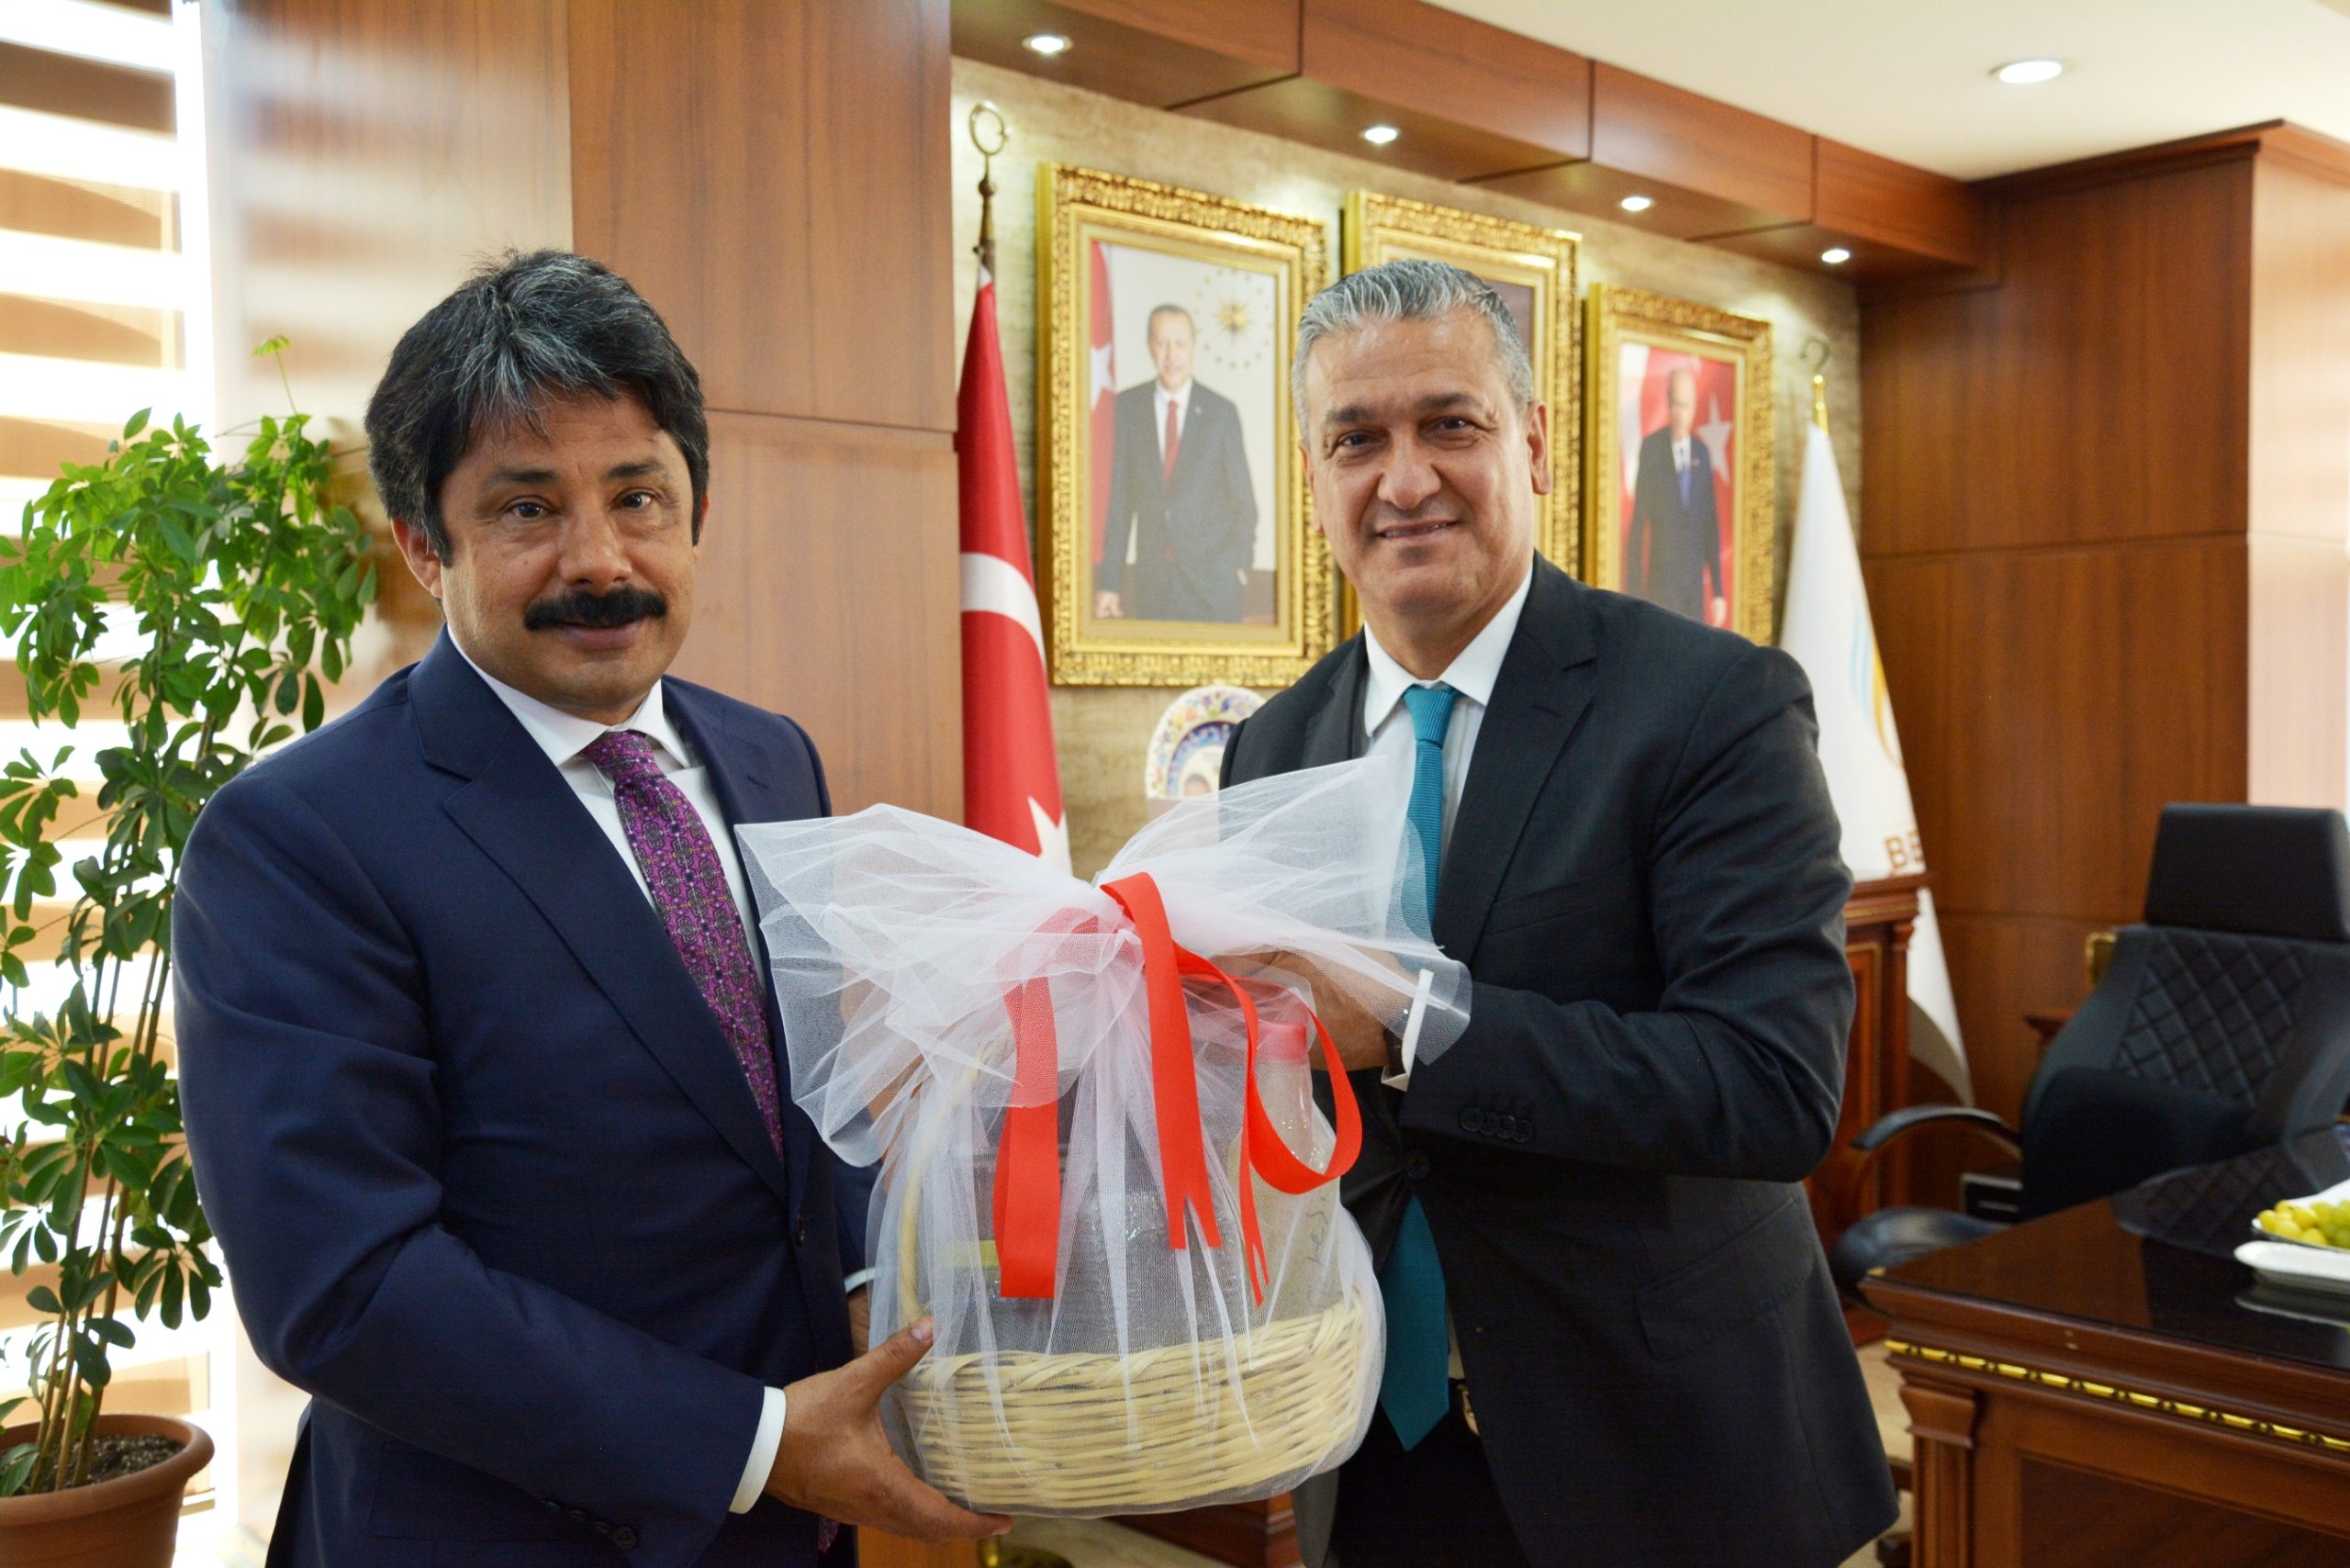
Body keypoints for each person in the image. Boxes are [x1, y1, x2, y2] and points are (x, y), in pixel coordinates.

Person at [173, 251, 1011, 1567]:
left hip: (795, 1523)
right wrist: (748, 1442)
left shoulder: (770, 757)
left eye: (638, 496)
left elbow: (800, 1100)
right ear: (424, 543)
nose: (601, 560)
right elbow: (346, 1285)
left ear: (698, 510)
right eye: (526, 509)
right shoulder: (295, 839)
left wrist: (867, 1289)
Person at [1222, 259, 1896, 1567]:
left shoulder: (1712, 705)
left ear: (1531, 443)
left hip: (1666, 1455)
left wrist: (1413, 1026)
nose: (1403, 480)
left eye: (1448, 424)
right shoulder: (1271, 747)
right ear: (1312, 479)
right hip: (1374, 1444)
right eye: (1355, 440)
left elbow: (1770, 1088)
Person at [1094, 302, 1258, 622]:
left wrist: (1239, 567)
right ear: (1149, 346)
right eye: (1162, 343)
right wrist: (1109, 584)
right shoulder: (1127, 408)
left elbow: (1244, 502)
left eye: (1180, 344)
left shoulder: (1221, 413)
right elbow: (1119, 504)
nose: (1171, 355)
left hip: (1214, 589)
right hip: (1152, 587)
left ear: (1193, 347)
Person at [1627, 364, 1727, 623]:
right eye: (1677, 405)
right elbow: (1638, 524)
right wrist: (1632, 594)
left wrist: (1718, 591)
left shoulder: (1702, 453)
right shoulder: (1652, 449)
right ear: (1669, 403)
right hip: (1661, 584)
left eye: (1687, 406)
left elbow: (1710, 523)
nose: (1681, 414)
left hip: (1692, 588)